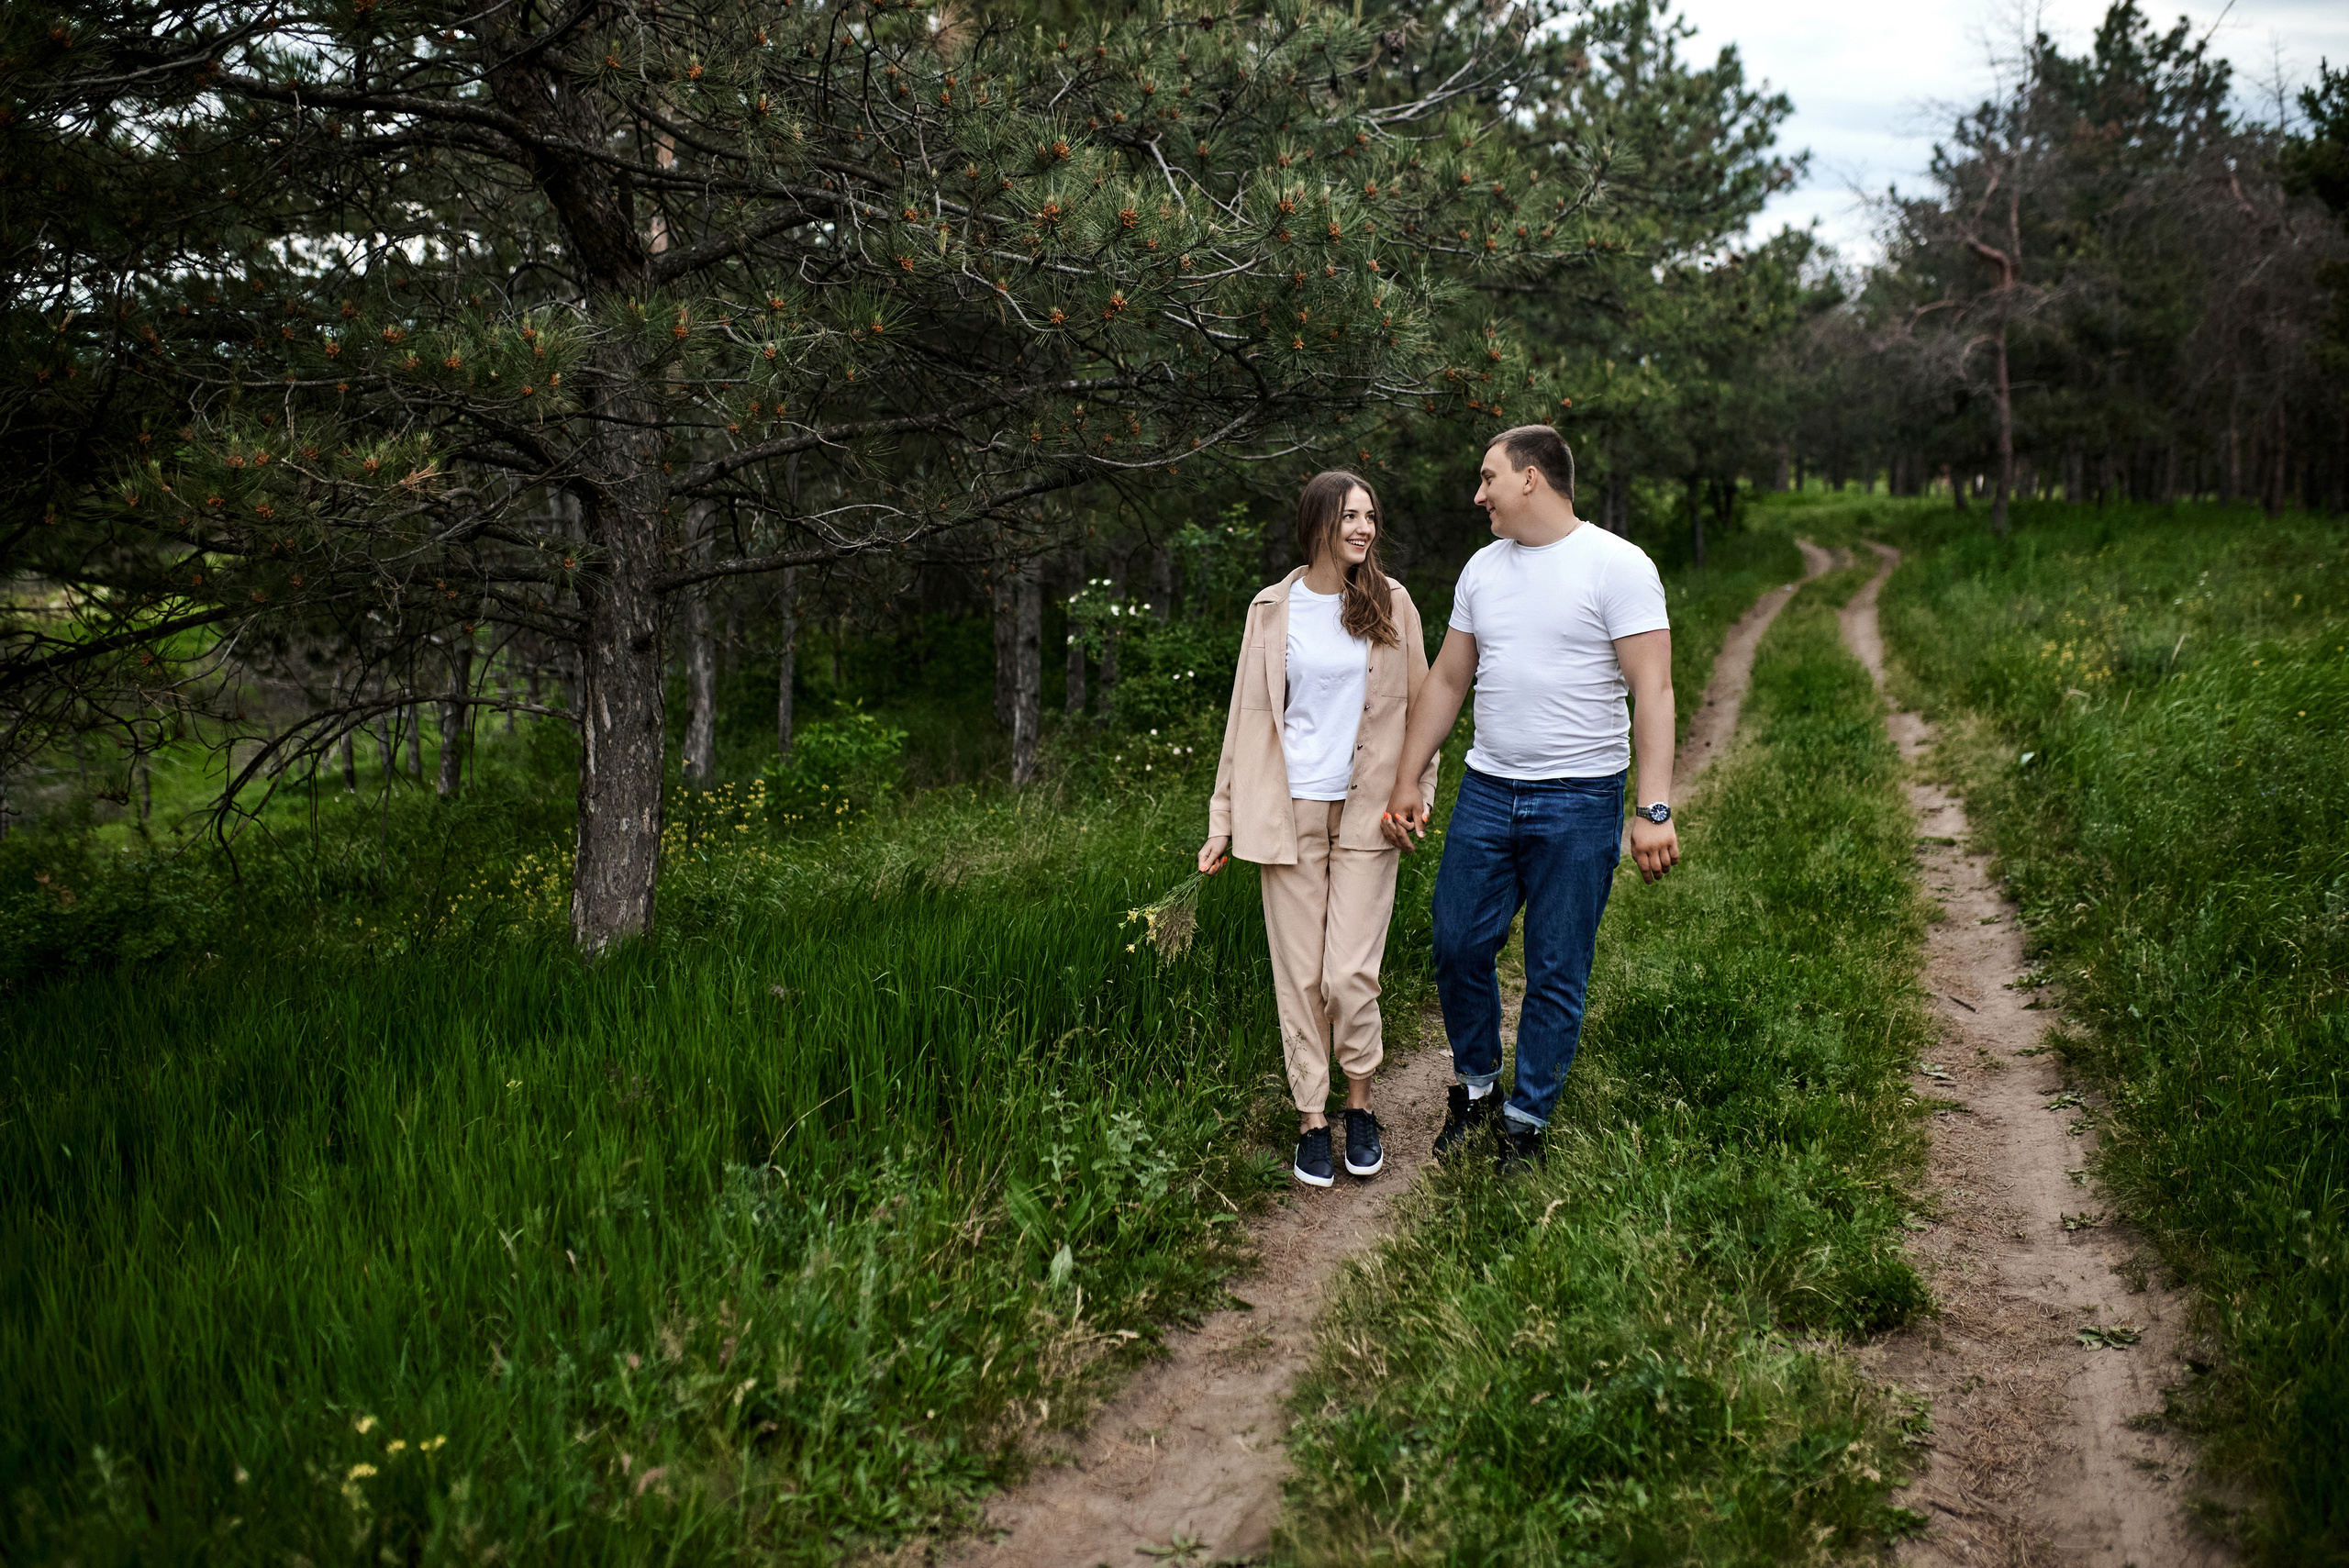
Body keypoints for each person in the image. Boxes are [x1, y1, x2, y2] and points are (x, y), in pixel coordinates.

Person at [1383, 426, 1680, 1171]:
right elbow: (1450, 679)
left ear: (1531, 479)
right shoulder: (1483, 570)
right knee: (1455, 942)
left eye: (1488, 477)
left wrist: (1652, 809)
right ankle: (1478, 1088)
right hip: (1488, 790)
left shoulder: (1618, 565)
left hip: (1581, 799)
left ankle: (1525, 1121)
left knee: (1556, 967)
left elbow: (1655, 689)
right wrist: (1405, 778)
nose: (1477, 493)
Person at [1201, 471, 1440, 1187]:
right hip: (1289, 812)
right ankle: (1312, 1117)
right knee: (1300, 977)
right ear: (1317, 524)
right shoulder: (1271, 610)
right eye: (1350, 516)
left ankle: (1361, 1105)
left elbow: (1424, 709)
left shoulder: (1392, 603)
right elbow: (1246, 718)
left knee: (1347, 974)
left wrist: (1416, 796)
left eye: (1371, 516)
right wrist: (1223, 820)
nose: (1365, 528)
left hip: (1371, 811)